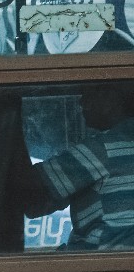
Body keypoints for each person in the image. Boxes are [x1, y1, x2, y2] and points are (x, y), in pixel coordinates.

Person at [18, 82, 134, 249]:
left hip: (101, 267)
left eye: (88, 93)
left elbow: (28, 191)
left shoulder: (103, 150)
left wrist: (9, 113)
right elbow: (37, 204)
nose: (81, 102)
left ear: (110, 98)